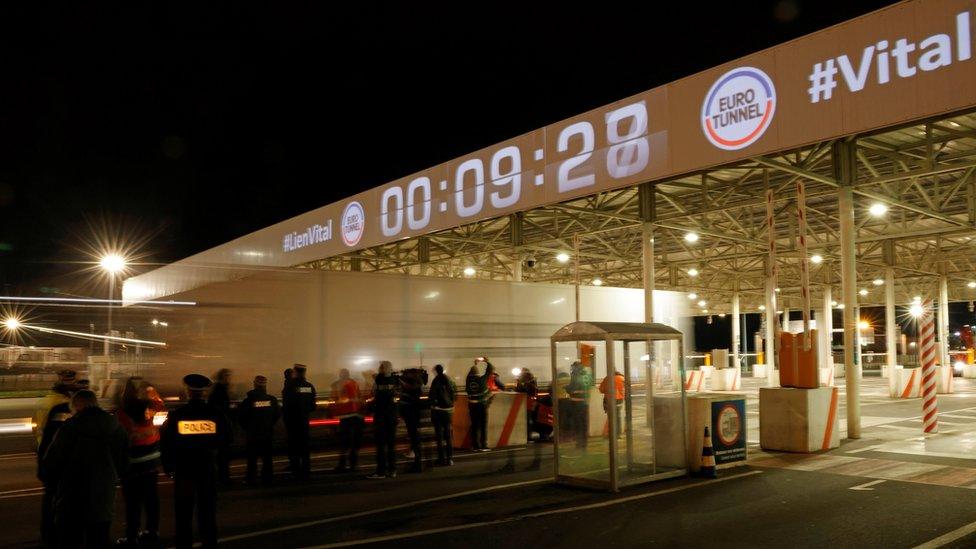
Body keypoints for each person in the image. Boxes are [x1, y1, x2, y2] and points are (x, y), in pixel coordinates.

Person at [42, 389, 129, 549]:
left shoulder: (69, 429)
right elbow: (124, 461)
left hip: (71, 499)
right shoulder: (116, 427)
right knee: (99, 540)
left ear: (77, 406)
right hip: (103, 498)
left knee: (70, 541)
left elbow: (51, 463)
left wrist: (52, 487)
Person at [161, 374, 232, 549]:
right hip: (207, 468)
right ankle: (209, 543)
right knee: (207, 510)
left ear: (187, 391)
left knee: (184, 512)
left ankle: (184, 544)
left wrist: (168, 466)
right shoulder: (215, 414)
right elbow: (228, 437)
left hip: (185, 469)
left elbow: (166, 442)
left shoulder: (178, 415)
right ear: (205, 392)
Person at [115, 378, 165, 547]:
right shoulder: (151, 408)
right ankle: (152, 531)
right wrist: (151, 389)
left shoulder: (123, 412)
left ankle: (132, 536)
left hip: (133, 464)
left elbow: (121, 438)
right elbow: (160, 404)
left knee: (132, 503)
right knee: (152, 499)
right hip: (151, 462)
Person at [36, 377, 85, 549]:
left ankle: (50, 534)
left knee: (52, 499)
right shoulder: (69, 411)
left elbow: (43, 433)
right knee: (65, 502)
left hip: (51, 459)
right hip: (65, 465)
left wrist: (42, 465)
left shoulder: (50, 403)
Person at [237, 375, 280, 485]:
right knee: (267, 459)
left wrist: (247, 428)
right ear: (265, 385)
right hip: (267, 433)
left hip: (253, 434)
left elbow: (241, 417)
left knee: (252, 459)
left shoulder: (248, 401)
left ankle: (251, 479)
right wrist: (269, 425)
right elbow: (277, 415)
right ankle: (268, 479)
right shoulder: (272, 400)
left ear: (254, 384)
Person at [282, 363, 316, 479]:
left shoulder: (290, 387)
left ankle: (295, 471)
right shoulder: (309, 386)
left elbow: (286, 405)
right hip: (304, 422)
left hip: (292, 422)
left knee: (294, 447)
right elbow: (313, 406)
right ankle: (306, 471)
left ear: (295, 372)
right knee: (305, 448)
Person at [367, 361, 399, 479]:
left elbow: (373, 393)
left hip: (381, 416)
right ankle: (392, 470)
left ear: (382, 368)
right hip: (392, 416)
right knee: (391, 445)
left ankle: (380, 472)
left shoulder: (378, 379)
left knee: (381, 445)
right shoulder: (395, 380)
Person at [34, 369, 77, 448]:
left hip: (42, 444)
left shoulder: (42, 402)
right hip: (58, 447)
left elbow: (35, 425)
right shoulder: (64, 405)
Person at [331, 368, 363, 472]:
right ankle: (353, 464)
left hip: (345, 417)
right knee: (354, 442)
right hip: (356, 415)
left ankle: (342, 464)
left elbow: (337, 399)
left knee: (344, 442)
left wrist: (335, 406)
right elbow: (359, 397)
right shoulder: (354, 383)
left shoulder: (341, 385)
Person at [398, 367, 427, 473]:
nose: (407, 375)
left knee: (415, 438)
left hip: (412, 415)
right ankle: (416, 462)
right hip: (411, 414)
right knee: (414, 438)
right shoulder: (414, 384)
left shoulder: (414, 386)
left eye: (409, 374)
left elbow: (407, 387)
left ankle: (417, 464)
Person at [208, 368, 233, 485]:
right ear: (222, 377)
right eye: (227, 376)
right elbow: (221, 410)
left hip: (221, 427)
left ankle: (221, 477)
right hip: (221, 428)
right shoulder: (220, 390)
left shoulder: (218, 390)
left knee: (222, 455)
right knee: (223, 455)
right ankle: (223, 478)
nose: (229, 378)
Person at [428, 364, 456, 465]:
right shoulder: (448, 380)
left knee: (439, 436)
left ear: (436, 371)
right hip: (448, 411)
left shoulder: (436, 381)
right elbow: (453, 394)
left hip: (438, 411)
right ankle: (450, 459)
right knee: (448, 435)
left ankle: (441, 459)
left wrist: (433, 404)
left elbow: (431, 396)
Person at [466, 360, 492, 452]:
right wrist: (486, 361)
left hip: (472, 406)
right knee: (483, 426)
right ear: (477, 372)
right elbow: (489, 370)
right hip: (482, 406)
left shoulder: (468, 380)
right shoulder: (482, 380)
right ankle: (483, 445)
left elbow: (469, 374)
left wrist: (474, 364)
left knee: (474, 426)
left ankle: (475, 446)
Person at [567, 361, 593, 450]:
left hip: (576, 402)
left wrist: (567, 388)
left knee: (578, 424)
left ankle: (579, 444)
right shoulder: (587, 376)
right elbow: (589, 386)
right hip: (585, 403)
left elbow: (571, 388)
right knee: (584, 424)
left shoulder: (575, 375)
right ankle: (584, 444)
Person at [599, 370, 625, 439]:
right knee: (618, 417)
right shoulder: (622, 378)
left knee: (611, 417)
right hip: (620, 400)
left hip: (609, 400)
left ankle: (611, 434)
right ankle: (618, 434)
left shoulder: (607, 378)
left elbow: (601, 389)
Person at [516, 368, 539, 439]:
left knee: (528, 420)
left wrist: (520, 383)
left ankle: (528, 436)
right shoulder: (532, 383)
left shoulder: (528, 384)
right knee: (529, 419)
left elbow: (520, 391)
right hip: (530, 403)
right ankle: (528, 436)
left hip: (527, 403)